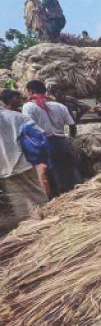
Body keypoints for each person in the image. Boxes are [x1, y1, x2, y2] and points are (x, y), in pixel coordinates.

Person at [1, 89, 49, 235]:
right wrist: (38, 158)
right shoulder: (17, 117)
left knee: (18, 202)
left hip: (3, 170)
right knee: (37, 196)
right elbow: (40, 136)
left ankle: (28, 229)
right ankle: (48, 224)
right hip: (23, 164)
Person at [23, 80, 82, 197]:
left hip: (45, 145)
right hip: (62, 143)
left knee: (51, 176)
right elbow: (72, 126)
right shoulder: (60, 106)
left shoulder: (28, 107)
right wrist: (70, 139)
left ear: (30, 91)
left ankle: (59, 201)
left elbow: (29, 129)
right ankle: (77, 195)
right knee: (69, 171)